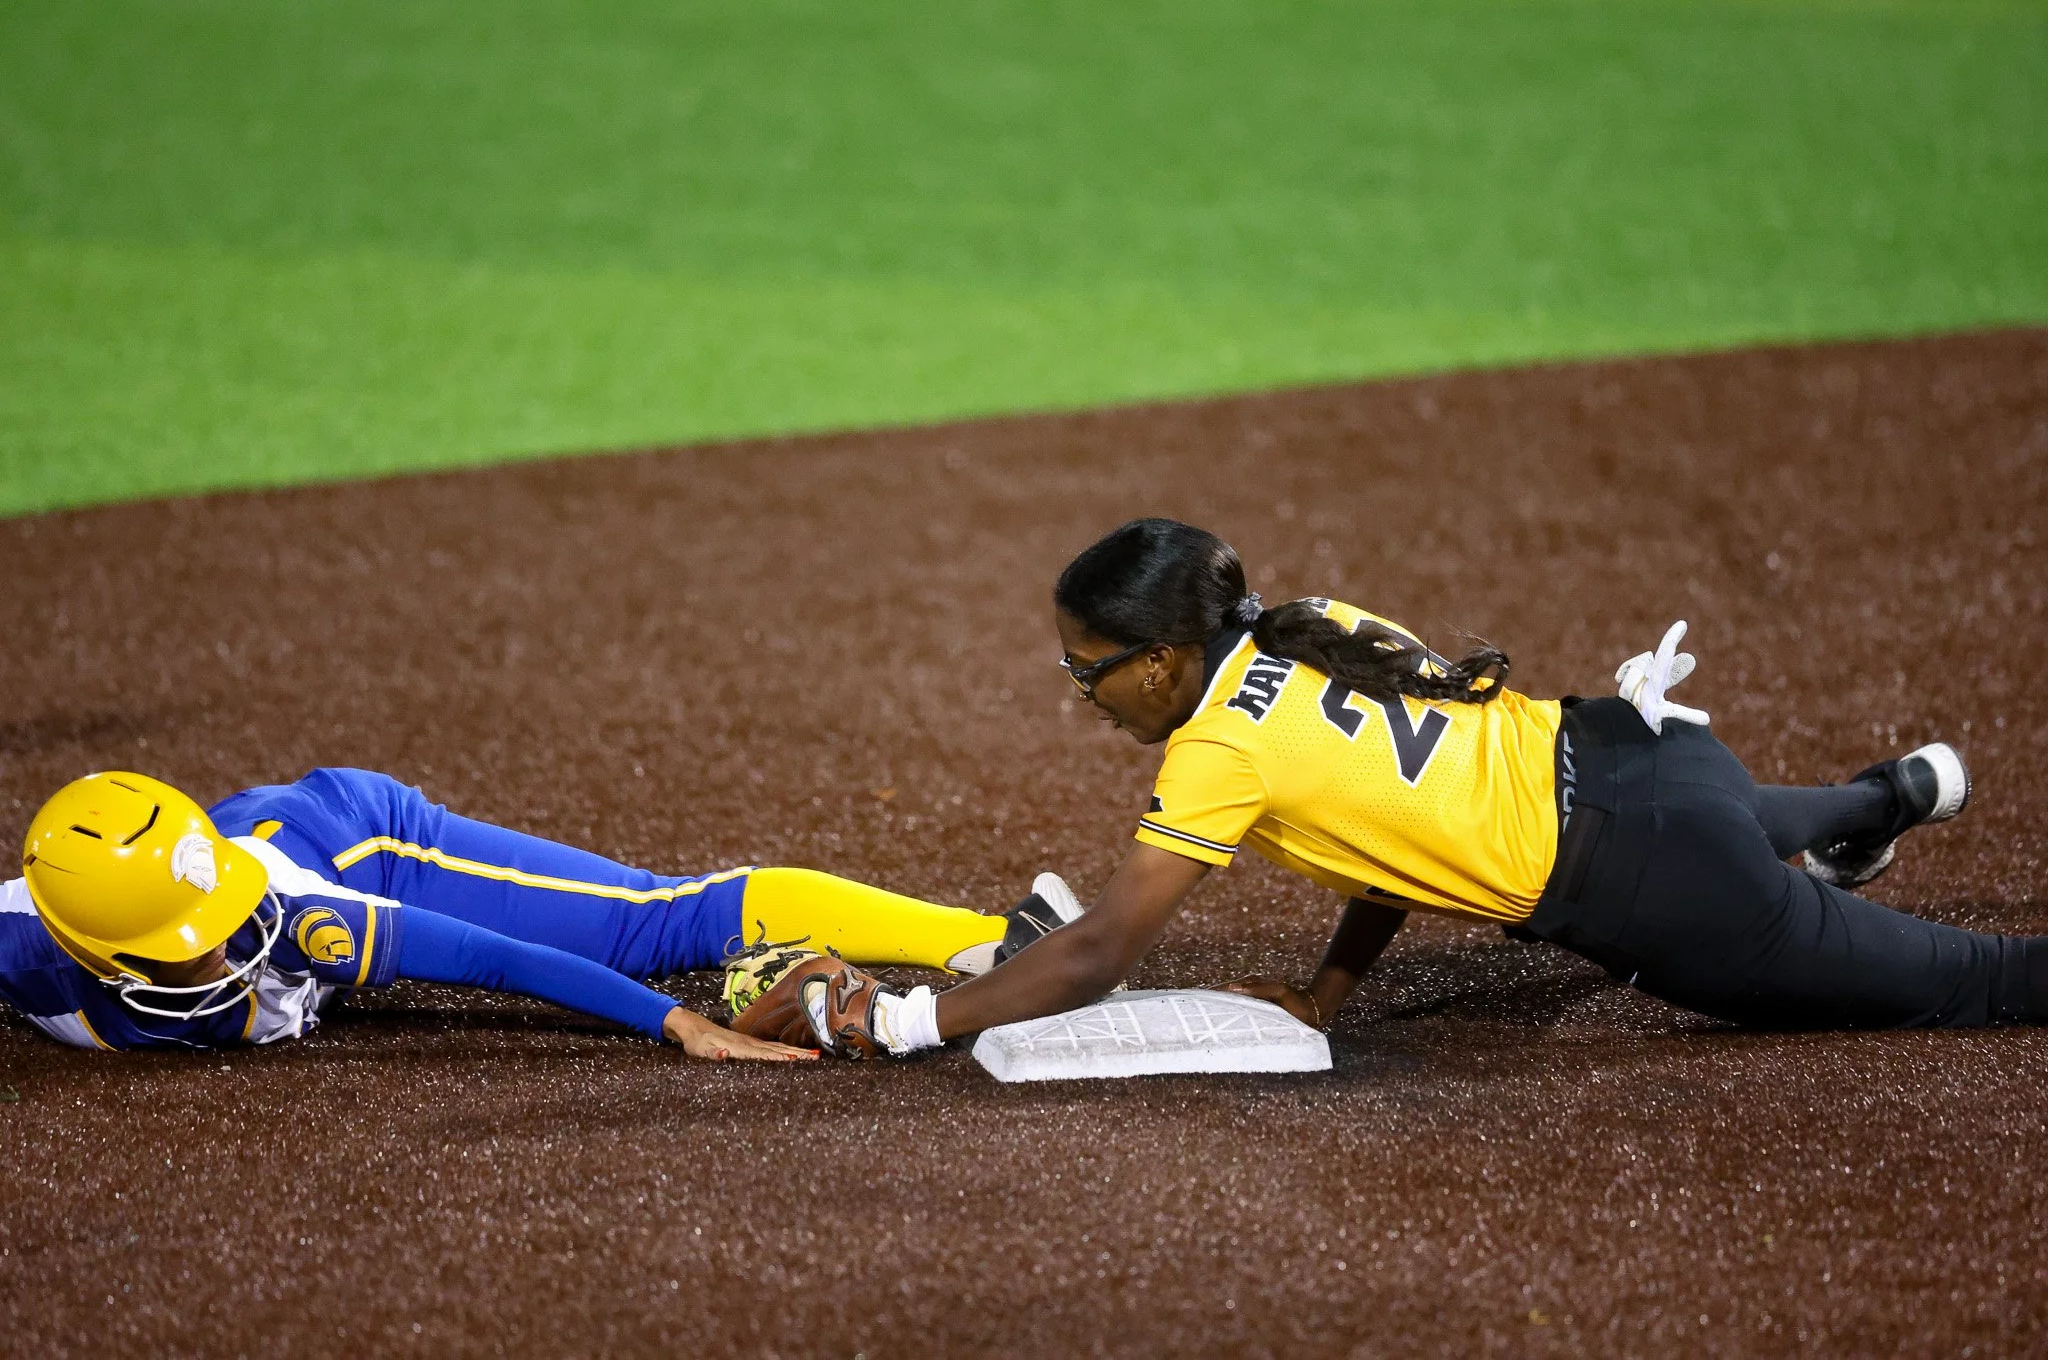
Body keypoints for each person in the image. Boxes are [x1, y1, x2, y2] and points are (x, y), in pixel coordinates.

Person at [795, 518, 2045, 1058]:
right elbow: (1388, 832)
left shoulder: (1217, 751)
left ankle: (1858, 833)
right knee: (1732, 824)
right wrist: (1322, 990)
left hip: (1664, 881)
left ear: (1163, 659)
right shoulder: (1310, 622)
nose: (1080, 695)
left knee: (1971, 987)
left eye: (1089, 673)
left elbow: (1097, 953)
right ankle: (1879, 801)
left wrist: (908, 1025)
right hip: (1641, 754)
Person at [2, 767, 1077, 1056]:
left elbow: (494, 957)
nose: (220, 954)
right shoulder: (28, 952)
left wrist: (681, 1024)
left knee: (651, 928)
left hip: (361, 844)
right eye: (181, 952)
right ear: (88, 951)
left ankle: (985, 937)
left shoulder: (289, 914)